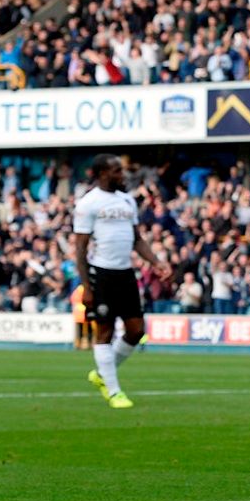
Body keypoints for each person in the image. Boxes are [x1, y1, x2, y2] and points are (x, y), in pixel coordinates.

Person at [72, 154, 172, 409]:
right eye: (117, 171)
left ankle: (104, 374)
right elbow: (80, 249)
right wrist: (86, 286)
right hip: (101, 274)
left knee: (136, 330)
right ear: (102, 174)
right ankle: (114, 391)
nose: (122, 175)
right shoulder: (88, 203)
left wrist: (156, 262)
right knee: (104, 331)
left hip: (125, 273)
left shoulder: (127, 200)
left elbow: (137, 239)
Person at [71, 283, 92, 350]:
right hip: (86, 311)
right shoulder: (86, 289)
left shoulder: (77, 290)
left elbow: (72, 299)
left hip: (78, 313)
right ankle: (89, 343)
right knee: (89, 329)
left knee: (79, 330)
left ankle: (78, 344)